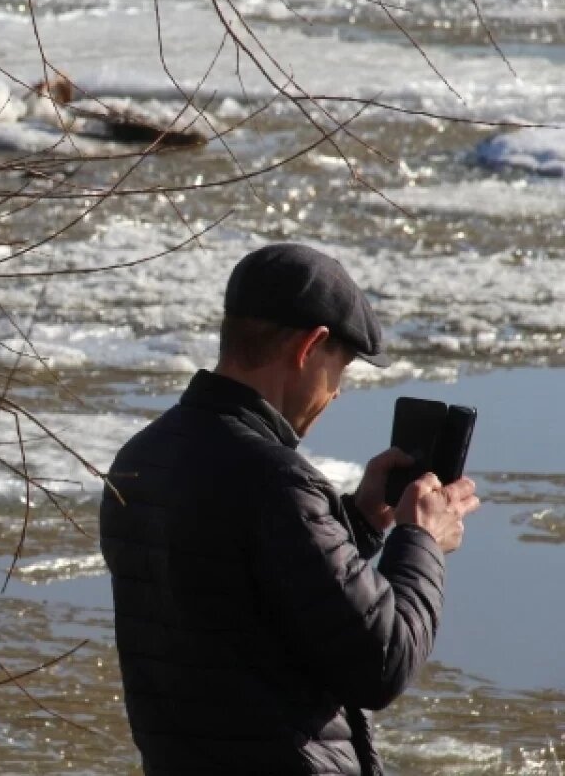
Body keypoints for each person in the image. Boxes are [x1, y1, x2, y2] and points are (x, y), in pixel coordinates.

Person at [99, 243, 481, 775]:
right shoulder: (277, 480)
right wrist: (423, 542)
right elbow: (383, 662)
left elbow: (243, 596)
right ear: (310, 346)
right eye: (340, 367)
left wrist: (361, 522)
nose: (337, 392)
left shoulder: (140, 457)